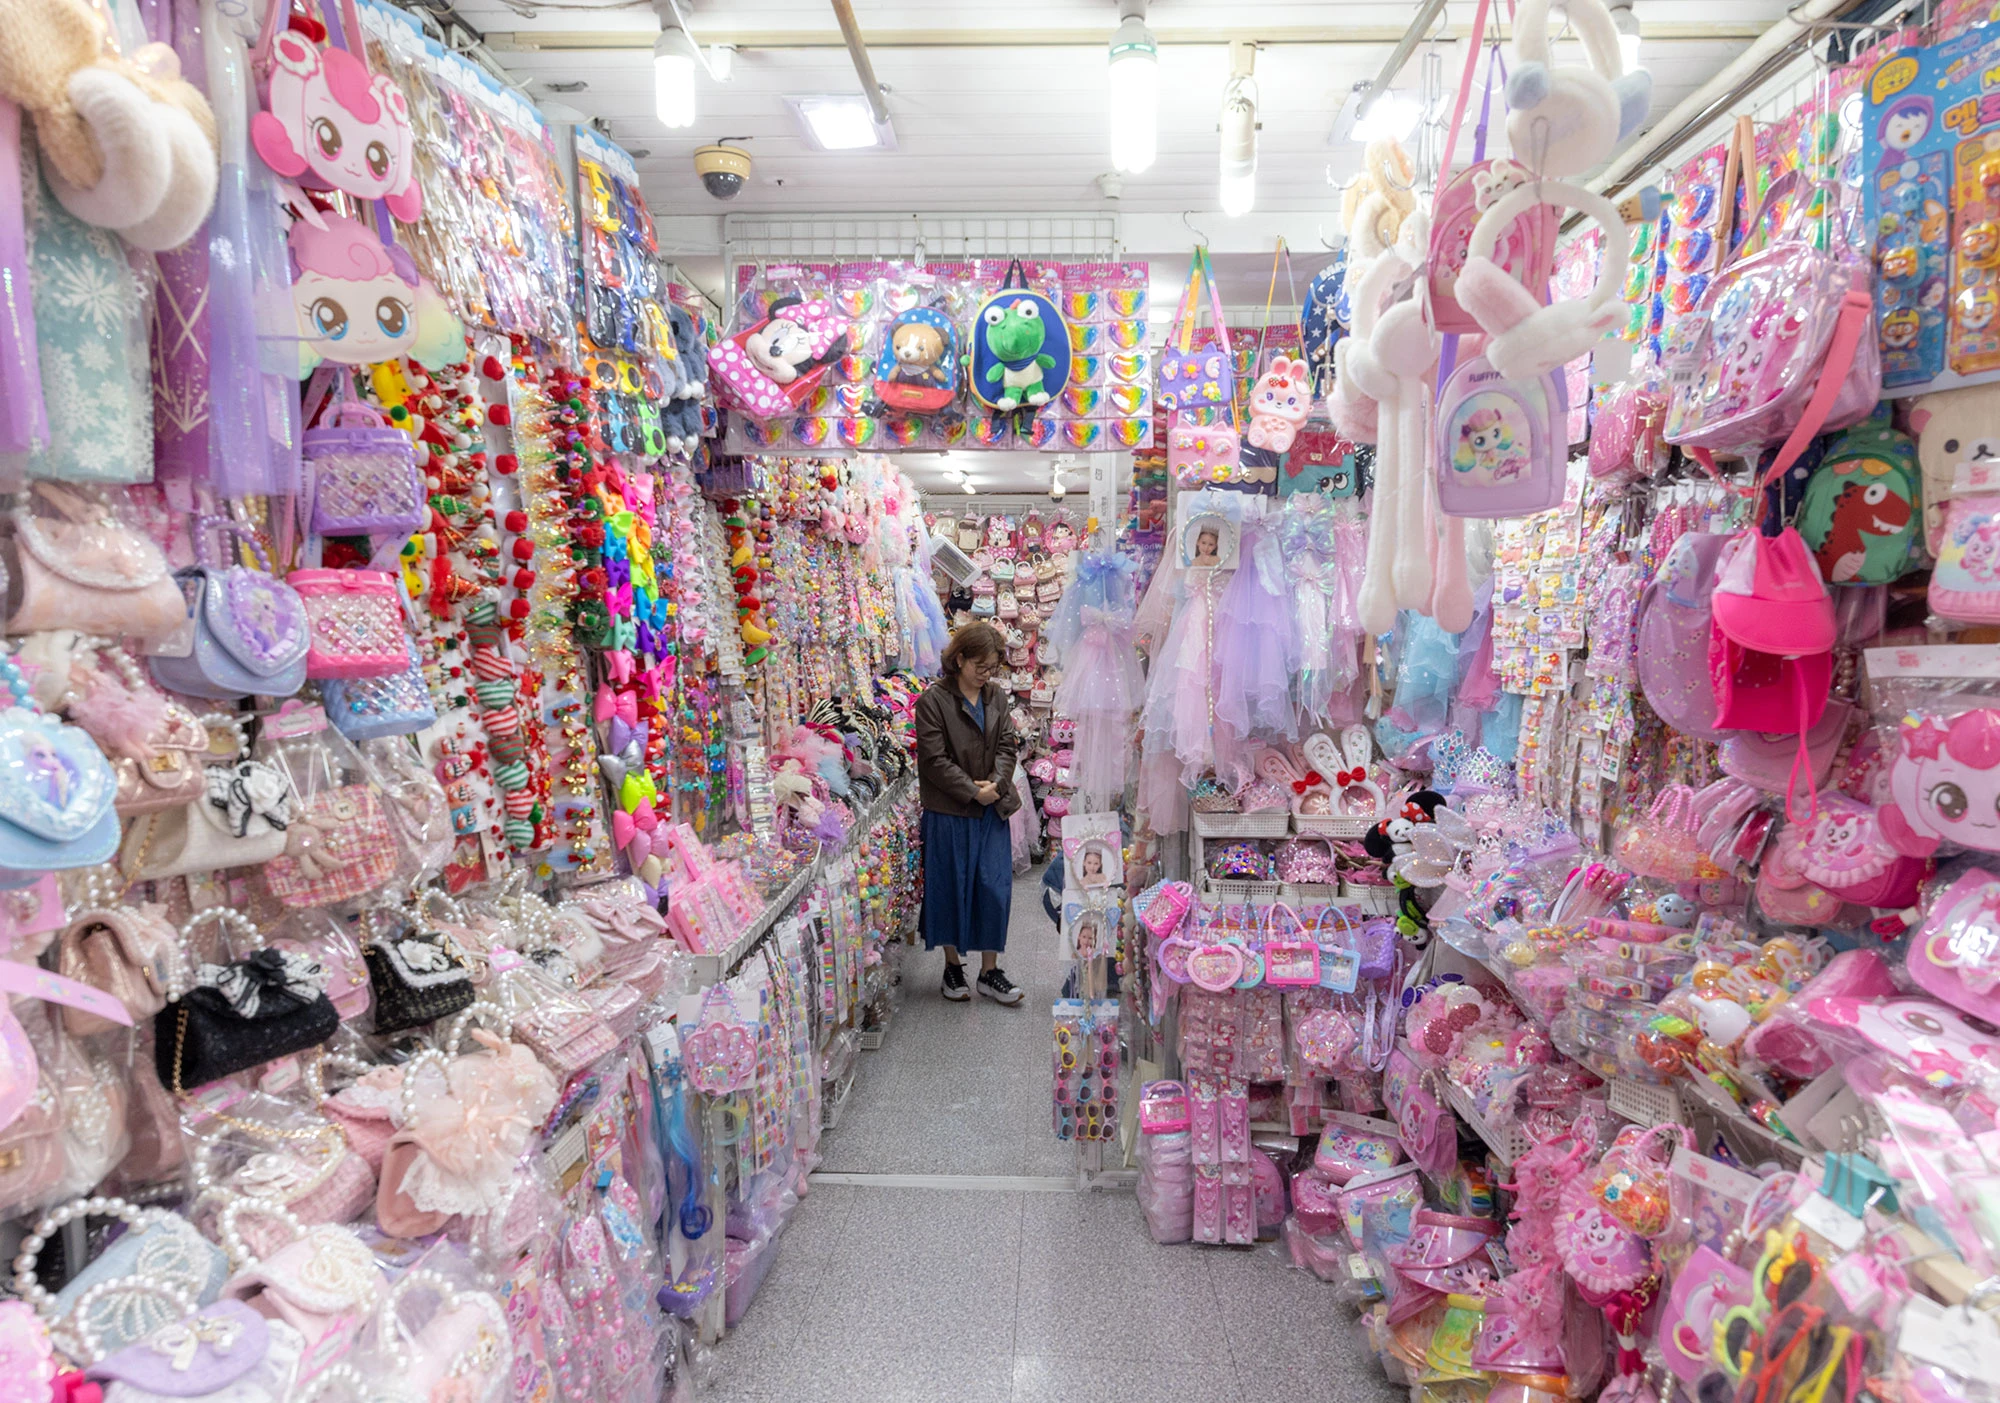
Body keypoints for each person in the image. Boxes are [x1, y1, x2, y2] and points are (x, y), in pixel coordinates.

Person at [914, 621, 1025, 1005]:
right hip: (948, 811)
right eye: (979, 665)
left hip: (992, 807)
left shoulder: (996, 697)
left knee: (994, 888)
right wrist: (969, 790)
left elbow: (1009, 745)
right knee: (950, 885)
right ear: (959, 658)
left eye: (991, 667)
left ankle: (989, 971)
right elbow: (933, 760)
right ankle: (952, 965)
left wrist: (995, 784)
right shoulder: (933, 701)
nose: (985, 674)